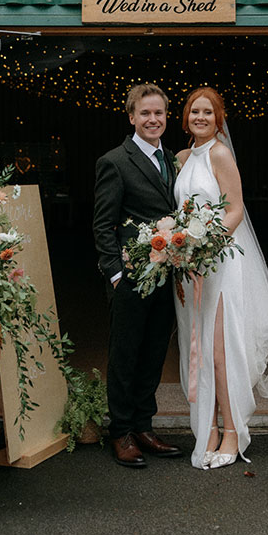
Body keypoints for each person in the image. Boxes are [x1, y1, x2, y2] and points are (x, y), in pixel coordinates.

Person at [173, 87, 268, 469]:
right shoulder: (180, 158)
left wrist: (205, 248)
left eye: (207, 113)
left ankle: (232, 432)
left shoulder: (221, 155)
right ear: (186, 117)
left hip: (220, 263)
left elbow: (235, 209)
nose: (200, 117)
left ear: (218, 120)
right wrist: (180, 252)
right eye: (195, 111)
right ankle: (207, 428)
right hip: (190, 269)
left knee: (219, 351)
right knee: (195, 349)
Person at [92, 83, 184, 468]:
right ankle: (122, 432)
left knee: (154, 353)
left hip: (167, 274)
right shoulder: (115, 161)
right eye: (145, 113)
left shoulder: (176, 161)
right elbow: (102, 225)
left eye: (159, 113)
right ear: (131, 117)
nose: (153, 120)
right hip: (131, 277)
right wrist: (116, 276)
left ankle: (145, 426)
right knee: (125, 355)